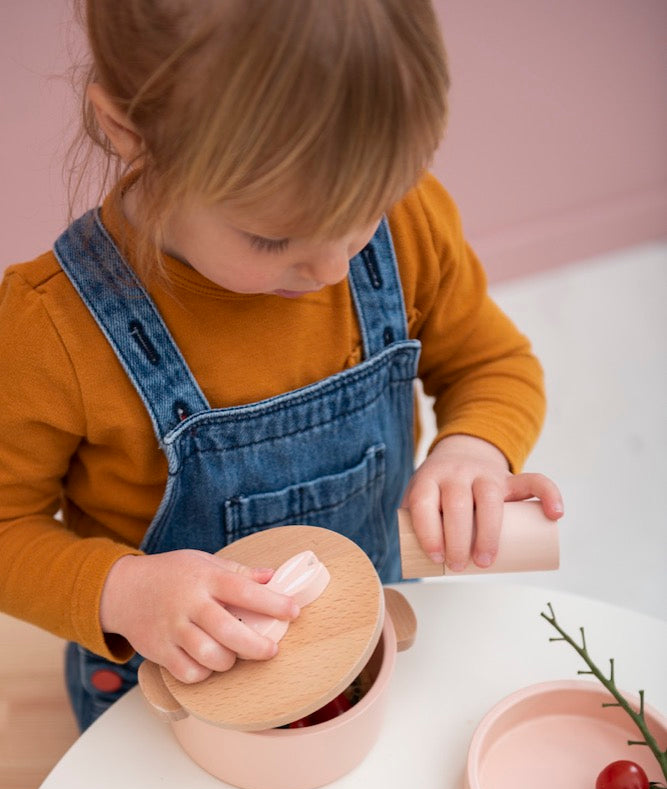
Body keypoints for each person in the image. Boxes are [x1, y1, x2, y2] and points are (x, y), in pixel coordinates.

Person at [0, 0, 563, 731]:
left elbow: (493, 361)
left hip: (365, 633)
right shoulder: (51, 329)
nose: (333, 266)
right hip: (172, 693)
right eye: (274, 238)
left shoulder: (409, 225)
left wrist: (473, 446)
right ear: (129, 132)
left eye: (368, 209)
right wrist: (124, 591)